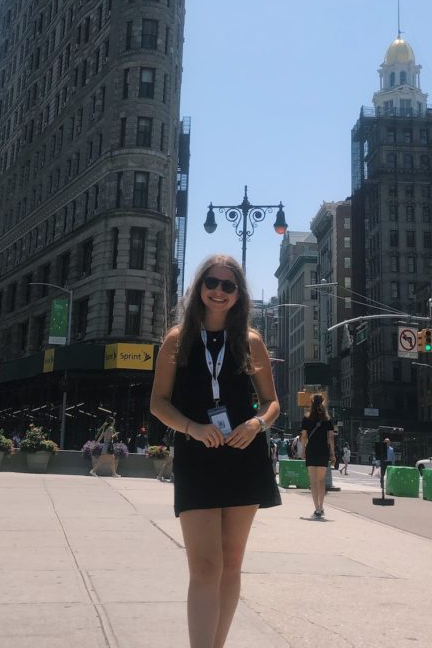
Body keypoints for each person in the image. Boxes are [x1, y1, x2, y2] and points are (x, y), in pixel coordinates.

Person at [150, 254, 280, 648]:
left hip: (244, 455)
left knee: (232, 564)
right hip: (197, 455)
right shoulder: (177, 339)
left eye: (229, 285)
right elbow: (158, 402)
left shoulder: (251, 342)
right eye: (212, 282)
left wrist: (256, 424)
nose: (219, 291)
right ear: (199, 287)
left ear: (239, 294)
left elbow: (272, 403)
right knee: (205, 566)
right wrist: (190, 427)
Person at [299, 394, 336, 519]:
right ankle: (321, 506)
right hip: (323, 451)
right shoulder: (327, 419)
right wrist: (333, 453)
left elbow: (304, 436)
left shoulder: (306, 418)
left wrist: (302, 450)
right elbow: (331, 437)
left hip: (311, 450)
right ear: (323, 403)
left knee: (313, 482)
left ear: (311, 403)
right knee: (321, 481)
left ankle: (317, 509)